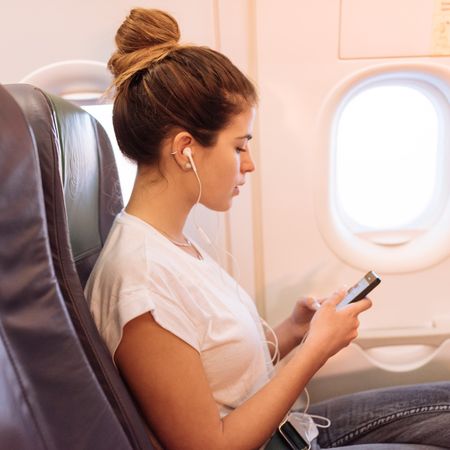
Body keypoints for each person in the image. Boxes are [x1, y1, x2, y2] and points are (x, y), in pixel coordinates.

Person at [85, 8, 450, 450]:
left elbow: (214, 370)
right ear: (185, 149)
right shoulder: (140, 285)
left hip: (287, 430)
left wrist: (294, 331)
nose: (249, 164)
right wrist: (316, 349)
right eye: (239, 147)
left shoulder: (171, 245)